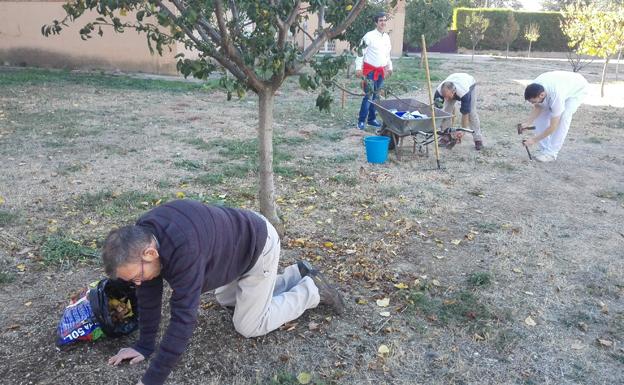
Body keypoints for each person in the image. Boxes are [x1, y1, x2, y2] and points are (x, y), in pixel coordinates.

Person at [103, 199, 344, 385]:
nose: (138, 284)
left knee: (249, 325)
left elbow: (183, 320)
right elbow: (149, 294)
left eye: (137, 276)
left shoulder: (183, 251)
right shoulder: (144, 236)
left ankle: (311, 291)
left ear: (150, 253)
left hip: (258, 245)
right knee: (224, 297)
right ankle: (295, 274)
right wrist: (144, 345)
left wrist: (151, 380)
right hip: (234, 246)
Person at [520, 71, 589, 162]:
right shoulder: (535, 87)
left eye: (533, 101)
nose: (533, 104)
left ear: (542, 95)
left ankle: (551, 153)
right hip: (562, 84)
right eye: (531, 102)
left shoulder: (555, 96)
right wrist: (527, 123)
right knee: (540, 117)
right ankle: (544, 150)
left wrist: (533, 140)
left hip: (578, 88)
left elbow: (553, 126)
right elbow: (538, 106)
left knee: (563, 117)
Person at [355, 12, 393, 130]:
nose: (383, 22)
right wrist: (358, 67)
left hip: (381, 71)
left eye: (385, 20)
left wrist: (390, 67)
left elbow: (387, 55)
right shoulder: (369, 36)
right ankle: (361, 121)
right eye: (381, 20)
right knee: (368, 96)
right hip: (369, 71)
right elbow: (360, 52)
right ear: (376, 22)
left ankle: (372, 119)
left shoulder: (386, 37)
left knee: (376, 96)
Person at [434, 73, 483, 151]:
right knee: (446, 111)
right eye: (444, 96)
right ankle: (446, 135)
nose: (446, 99)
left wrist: (463, 131)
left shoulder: (464, 92)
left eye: (448, 96)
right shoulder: (439, 92)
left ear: (453, 92)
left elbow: (465, 113)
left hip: (469, 84)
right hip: (454, 81)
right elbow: (437, 111)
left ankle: (478, 139)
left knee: (471, 113)